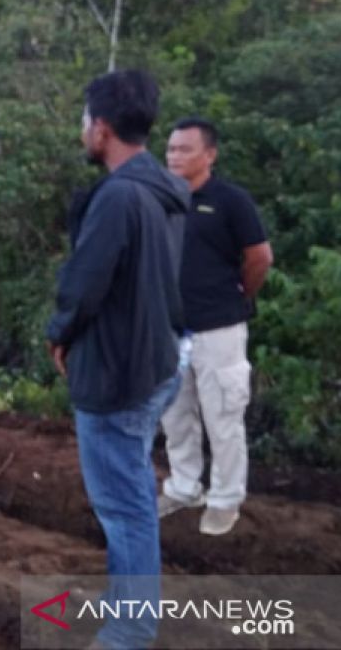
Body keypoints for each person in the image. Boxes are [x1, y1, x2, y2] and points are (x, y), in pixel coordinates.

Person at [46, 69, 189, 650]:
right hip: (156, 361)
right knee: (131, 490)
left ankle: (130, 628)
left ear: (101, 130)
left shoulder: (119, 196)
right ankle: (130, 606)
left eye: (86, 121)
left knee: (126, 505)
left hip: (118, 374)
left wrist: (60, 334)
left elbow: (84, 285)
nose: (82, 130)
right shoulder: (164, 188)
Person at [159, 117, 273, 536]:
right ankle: (184, 485)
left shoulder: (230, 200)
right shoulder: (160, 199)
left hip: (219, 329)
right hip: (170, 329)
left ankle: (225, 499)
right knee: (175, 413)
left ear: (209, 154)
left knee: (223, 416)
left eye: (185, 149)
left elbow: (259, 257)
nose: (174, 156)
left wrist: (240, 293)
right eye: (170, 149)